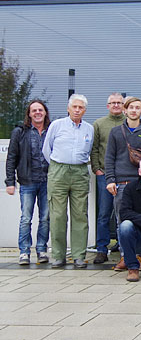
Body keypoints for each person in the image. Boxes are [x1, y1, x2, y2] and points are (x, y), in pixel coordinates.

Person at [105, 96, 141, 269]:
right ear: (125, 110)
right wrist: (110, 180)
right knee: (122, 221)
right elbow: (109, 158)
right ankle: (125, 256)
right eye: (131, 107)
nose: (134, 110)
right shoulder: (115, 132)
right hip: (121, 183)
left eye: (137, 107)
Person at [42, 94, 94, 268]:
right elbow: (46, 150)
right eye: (74, 107)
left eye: (81, 107)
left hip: (80, 171)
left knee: (80, 215)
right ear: (68, 108)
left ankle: (79, 255)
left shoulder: (89, 128)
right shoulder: (57, 125)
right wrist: (58, 166)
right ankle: (58, 255)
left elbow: (89, 151)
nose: (77, 110)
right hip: (59, 170)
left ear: (85, 110)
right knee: (57, 215)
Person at [5, 100, 51, 265]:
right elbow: (11, 158)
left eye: (40, 110)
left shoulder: (51, 130)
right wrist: (10, 181)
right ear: (29, 114)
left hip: (48, 181)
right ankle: (24, 252)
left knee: (45, 218)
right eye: (34, 110)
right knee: (26, 218)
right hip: (27, 181)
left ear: (45, 112)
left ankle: (41, 250)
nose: (37, 112)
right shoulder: (20, 132)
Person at [91, 92, 125, 263]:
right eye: (113, 103)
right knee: (104, 214)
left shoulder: (129, 123)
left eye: (119, 103)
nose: (116, 105)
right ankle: (101, 249)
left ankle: (123, 246)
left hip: (125, 176)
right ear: (108, 106)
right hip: (104, 175)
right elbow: (95, 148)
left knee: (124, 213)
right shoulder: (99, 124)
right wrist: (96, 169)